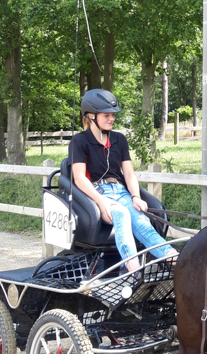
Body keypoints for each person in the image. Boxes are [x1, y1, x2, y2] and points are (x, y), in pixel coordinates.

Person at [69, 89, 174, 271]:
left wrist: (135, 197)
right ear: (91, 116)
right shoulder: (79, 141)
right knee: (122, 214)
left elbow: (129, 173)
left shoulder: (119, 140)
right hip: (95, 194)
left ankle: (175, 259)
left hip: (121, 191)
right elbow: (79, 178)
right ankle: (134, 271)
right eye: (107, 115)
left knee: (142, 222)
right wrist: (101, 202)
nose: (112, 119)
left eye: (113, 115)